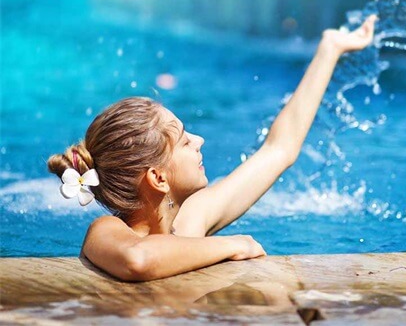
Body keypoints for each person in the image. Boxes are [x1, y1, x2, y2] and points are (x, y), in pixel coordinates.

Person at [48, 15, 377, 282]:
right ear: (158, 178)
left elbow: (280, 149)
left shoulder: (190, 220)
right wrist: (232, 244)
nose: (200, 140)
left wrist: (330, 50)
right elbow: (138, 259)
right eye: (185, 141)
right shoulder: (106, 230)